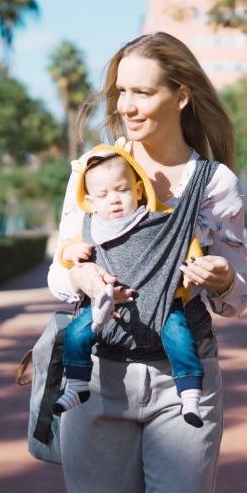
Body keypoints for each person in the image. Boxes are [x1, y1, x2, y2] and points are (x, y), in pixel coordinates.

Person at [47, 32, 247, 493]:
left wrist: (221, 279)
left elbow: (237, 299)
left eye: (143, 92)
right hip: (96, 375)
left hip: (184, 380)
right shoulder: (94, 171)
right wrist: (78, 273)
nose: (126, 105)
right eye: (122, 91)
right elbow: (59, 271)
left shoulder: (216, 184)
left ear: (181, 96)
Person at [53, 144, 209, 427]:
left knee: (179, 337)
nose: (113, 199)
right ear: (90, 201)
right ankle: (77, 384)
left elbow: (185, 242)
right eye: (103, 195)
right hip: (106, 307)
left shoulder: (157, 221)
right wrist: (70, 256)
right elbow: (65, 250)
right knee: (76, 332)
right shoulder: (91, 227)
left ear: (138, 190)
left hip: (162, 305)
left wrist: (193, 264)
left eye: (121, 190)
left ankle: (190, 392)